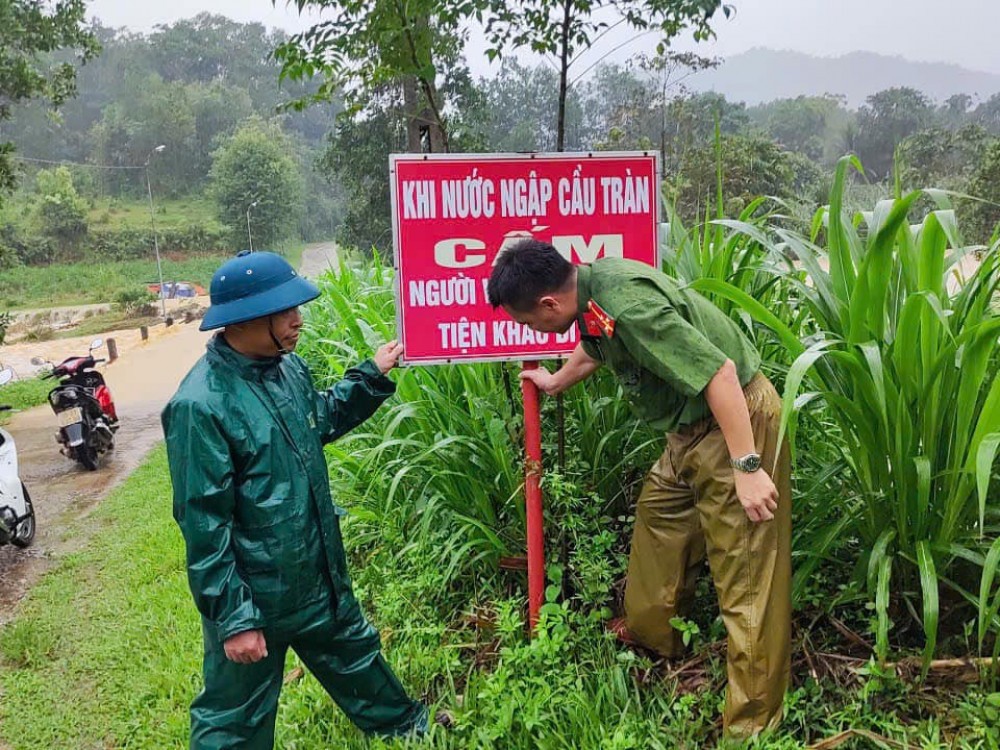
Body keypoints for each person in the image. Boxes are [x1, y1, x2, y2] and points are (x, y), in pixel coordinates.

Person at [487, 239, 791, 738]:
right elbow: (596, 341)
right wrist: (557, 381)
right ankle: (654, 634)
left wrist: (748, 465)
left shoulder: (629, 307)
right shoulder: (588, 295)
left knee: (748, 572)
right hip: (687, 430)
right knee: (660, 519)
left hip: (734, 421)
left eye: (526, 322)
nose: (529, 331)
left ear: (549, 304)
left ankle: (753, 724)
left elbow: (720, 373)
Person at [162, 250, 441, 748]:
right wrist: (235, 618)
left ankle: (412, 732)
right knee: (234, 719)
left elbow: (320, 420)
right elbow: (204, 524)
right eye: (285, 310)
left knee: (358, 660)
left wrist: (370, 375)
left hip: (317, 576)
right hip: (256, 599)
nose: (298, 320)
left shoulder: (287, 370)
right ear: (247, 319)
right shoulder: (200, 405)